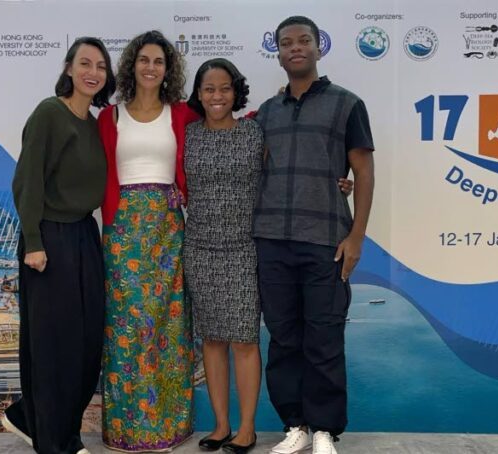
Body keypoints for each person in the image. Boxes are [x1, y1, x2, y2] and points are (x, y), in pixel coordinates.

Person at [252, 16, 375, 454]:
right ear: (278, 52)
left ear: (318, 47)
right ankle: (295, 426)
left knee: (323, 337)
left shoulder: (347, 104)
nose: (295, 48)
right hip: (271, 239)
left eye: (303, 40)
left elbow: (362, 170)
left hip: (326, 238)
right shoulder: (267, 111)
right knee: (284, 338)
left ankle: (324, 430)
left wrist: (356, 237)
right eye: (286, 43)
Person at [4, 37, 116, 454]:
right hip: (48, 238)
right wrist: (33, 241)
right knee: (54, 346)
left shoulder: (94, 123)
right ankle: (55, 443)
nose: (93, 72)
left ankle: (27, 417)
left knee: (86, 346)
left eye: (101, 66)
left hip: (85, 235)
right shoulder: (49, 114)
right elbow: (27, 180)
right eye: (84, 63)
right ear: (69, 68)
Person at [96, 30, 196, 453]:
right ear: (131, 65)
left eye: (159, 61)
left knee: (169, 329)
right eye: (144, 60)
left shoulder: (183, 114)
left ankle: (169, 429)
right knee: (125, 328)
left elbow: (222, 132)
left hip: (169, 231)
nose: (151, 67)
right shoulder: (109, 118)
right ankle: (126, 431)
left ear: (168, 69)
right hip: (122, 232)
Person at [183, 58, 263, 454]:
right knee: (212, 339)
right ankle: (220, 426)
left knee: (244, 340)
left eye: (225, 88)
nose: (217, 96)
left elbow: (285, 175)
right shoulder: (188, 135)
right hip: (198, 249)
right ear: (198, 94)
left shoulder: (254, 133)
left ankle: (247, 429)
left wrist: (341, 182)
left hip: (243, 249)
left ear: (236, 92)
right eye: (209, 89)